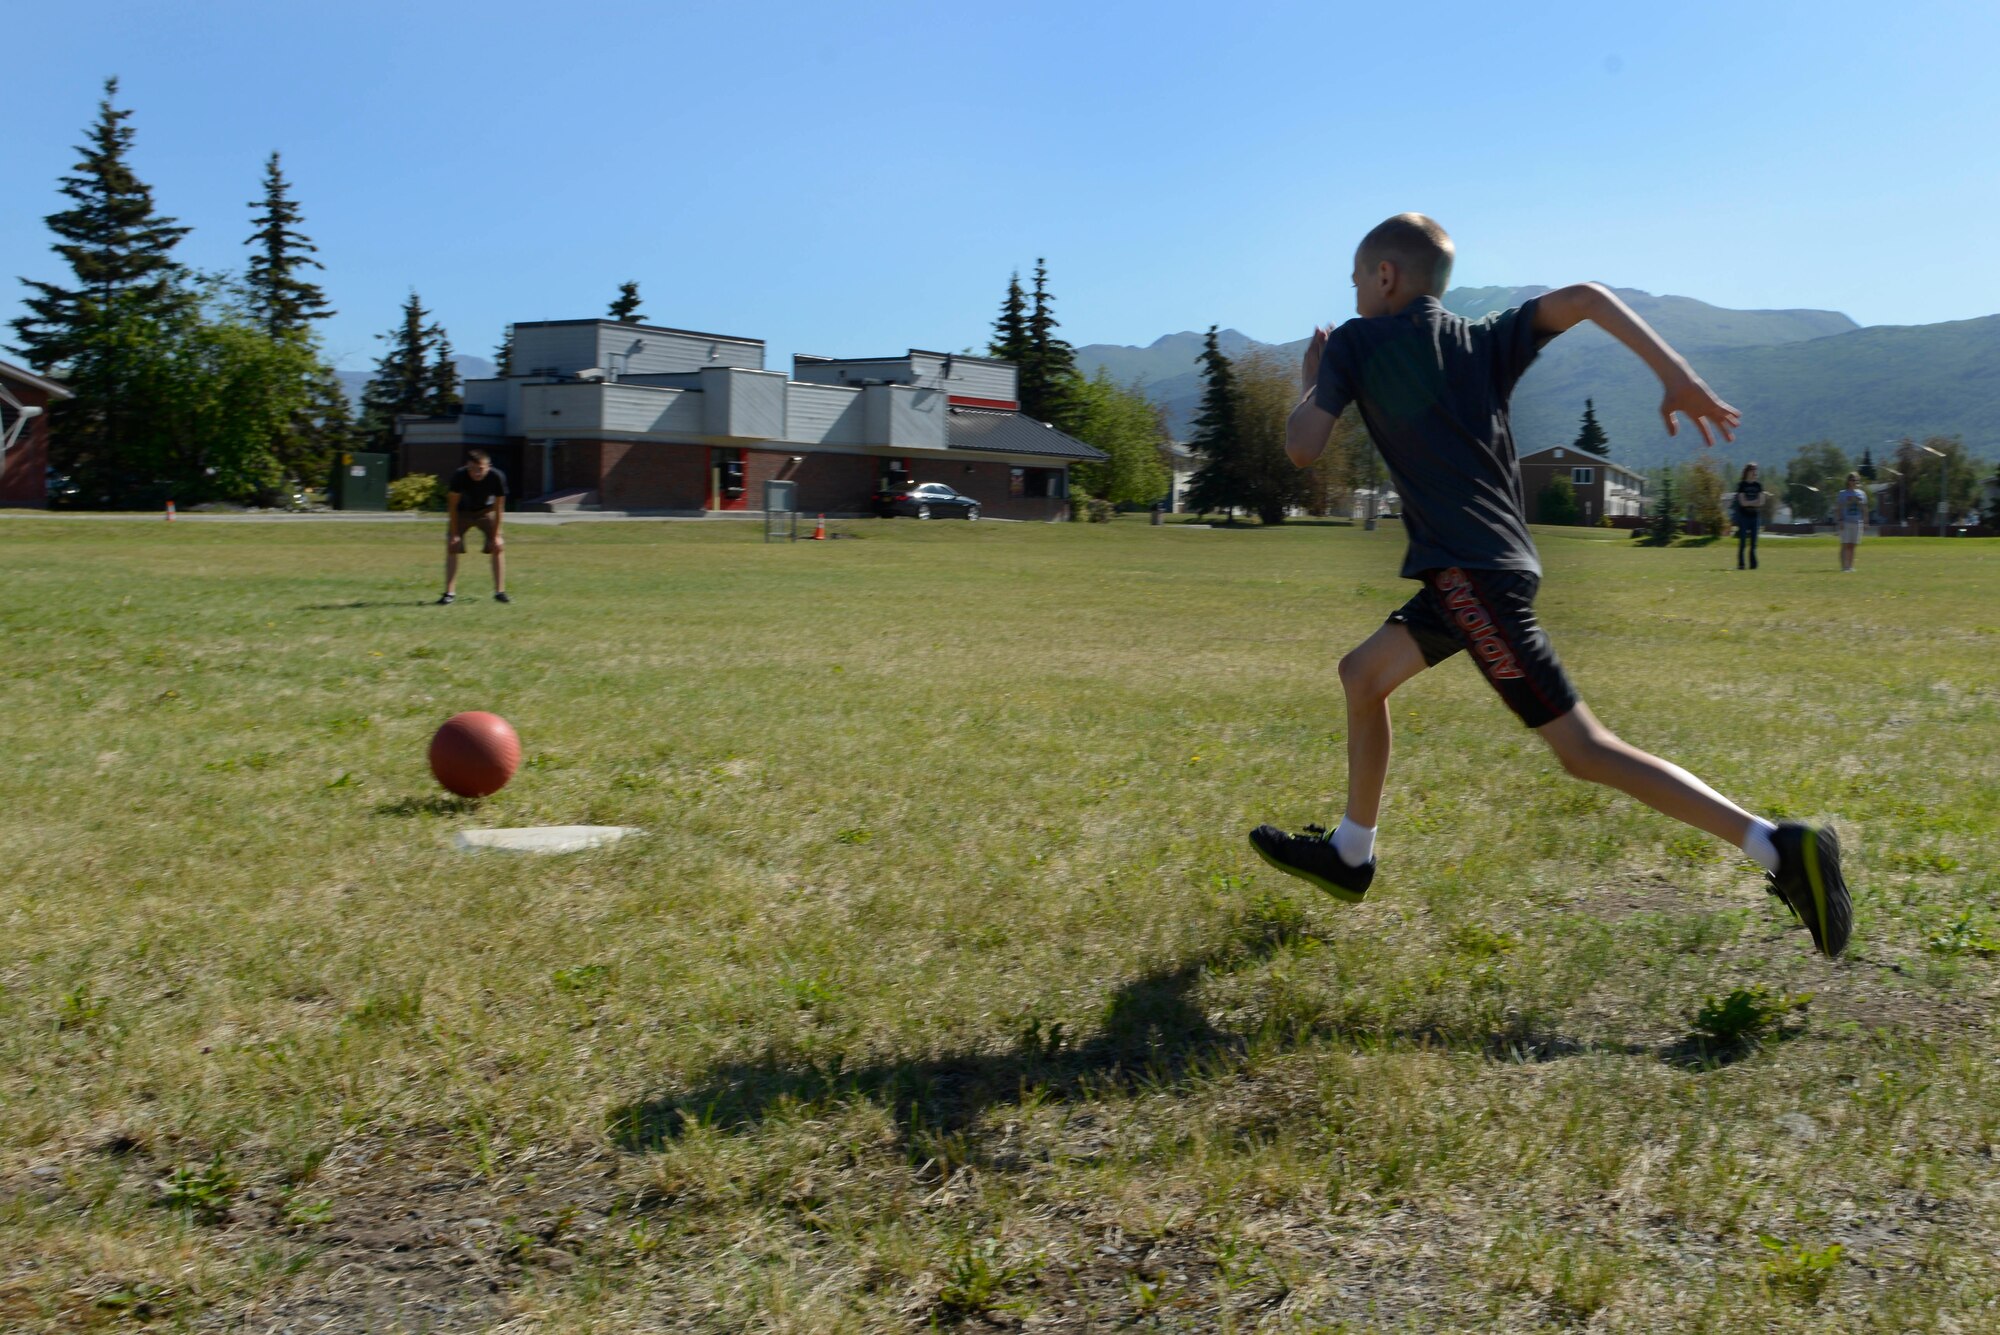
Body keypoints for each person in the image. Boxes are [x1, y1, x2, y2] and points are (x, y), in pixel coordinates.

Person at [1251, 214, 1850, 958]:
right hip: (1482, 568)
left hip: (1472, 577)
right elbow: (1589, 297)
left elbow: (1303, 448)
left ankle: (1777, 846)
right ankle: (1351, 850)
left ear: (1384, 277)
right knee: (1362, 674)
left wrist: (1312, 378)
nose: (1353, 293)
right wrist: (1677, 375)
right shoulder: (1483, 337)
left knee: (1583, 748)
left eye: (1355, 280)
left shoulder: (1354, 343)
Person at [439, 449, 510, 604]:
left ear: (488, 466)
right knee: (452, 546)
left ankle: (500, 592)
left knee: (498, 547)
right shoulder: (459, 476)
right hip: (462, 512)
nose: (476, 473)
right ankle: (449, 593)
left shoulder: (496, 477)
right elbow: (452, 505)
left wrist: (497, 535)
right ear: (467, 466)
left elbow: (499, 507)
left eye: (480, 469)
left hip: (485, 512)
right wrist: (454, 533)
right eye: (472, 469)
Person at [1728, 463, 1768, 570]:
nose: (1755, 473)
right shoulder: (1742, 485)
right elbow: (1742, 503)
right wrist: (1755, 502)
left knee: (1754, 543)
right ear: (1748, 472)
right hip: (1743, 517)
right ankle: (1741, 565)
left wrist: (1750, 502)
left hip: (1755, 517)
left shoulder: (1758, 486)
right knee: (1742, 543)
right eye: (1753, 470)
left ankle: (1753, 565)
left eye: (1756, 470)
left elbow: (1762, 501)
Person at [1835, 472, 1868, 572]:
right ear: (1848, 481)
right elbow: (1839, 508)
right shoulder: (1842, 493)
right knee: (1845, 544)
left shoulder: (1861, 494)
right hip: (1845, 522)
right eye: (1853, 480)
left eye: (1857, 480)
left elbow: (1864, 508)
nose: (1855, 482)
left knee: (1853, 545)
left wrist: (1866, 520)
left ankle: (1850, 566)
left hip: (1857, 522)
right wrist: (1840, 520)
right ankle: (1844, 567)